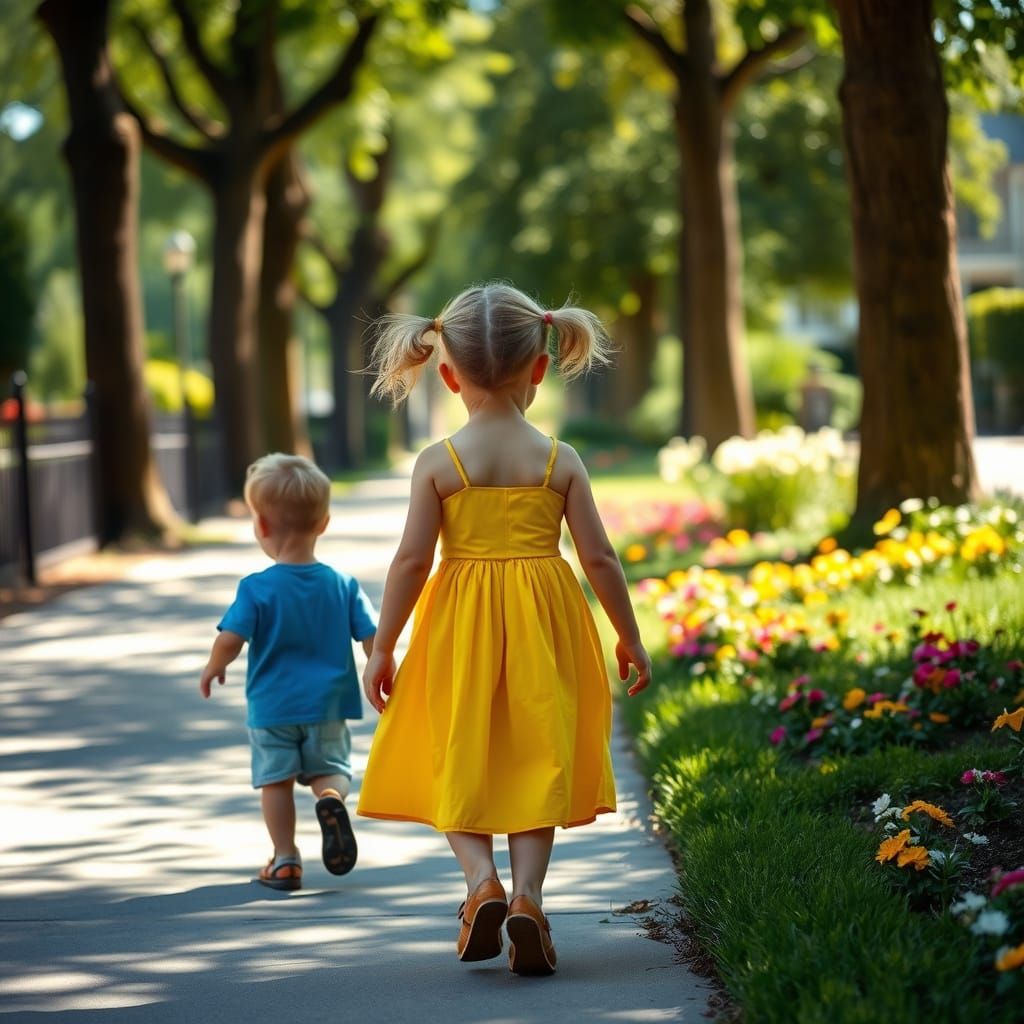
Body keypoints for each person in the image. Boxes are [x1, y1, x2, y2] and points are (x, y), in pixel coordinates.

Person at [356, 282, 652, 976]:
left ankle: (479, 883)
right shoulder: (558, 459)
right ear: (540, 368)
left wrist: (384, 645)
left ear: (447, 372)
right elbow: (599, 558)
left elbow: (409, 562)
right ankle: (527, 897)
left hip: (460, 621)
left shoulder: (439, 462)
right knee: (534, 753)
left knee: (455, 747)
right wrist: (629, 636)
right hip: (543, 620)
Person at [200, 453, 382, 892]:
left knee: (276, 783)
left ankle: (285, 860)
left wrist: (214, 667)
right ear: (324, 522)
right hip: (328, 705)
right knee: (331, 768)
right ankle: (332, 798)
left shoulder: (257, 587)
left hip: (273, 707)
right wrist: (382, 668)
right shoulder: (343, 584)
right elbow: (371, 636)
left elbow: (231, 638)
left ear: (260, 526)